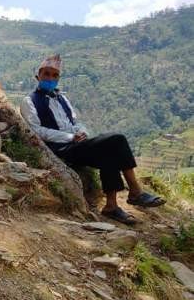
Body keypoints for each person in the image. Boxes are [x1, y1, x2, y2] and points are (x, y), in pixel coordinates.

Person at [20, 54, 165, 225]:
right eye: (46, 74)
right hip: (61, 149)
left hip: (77, 144)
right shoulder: (29, 101)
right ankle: (135, 192)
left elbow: (74, 122)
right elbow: (38, 131)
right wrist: (70, 137)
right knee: (117, 139)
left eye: (54, 75)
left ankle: (111, 207)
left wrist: (81, 133)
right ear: (38, 76)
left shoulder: (62, 98)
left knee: (109, 152)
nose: (50, 78)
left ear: (58, 78)